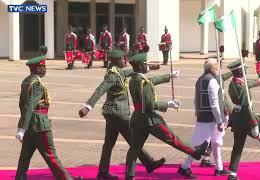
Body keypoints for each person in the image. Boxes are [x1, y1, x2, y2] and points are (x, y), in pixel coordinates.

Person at [79, 50, 164, 180]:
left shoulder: (118, 71)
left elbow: (129, 72)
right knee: (134, 138)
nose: (125, 60)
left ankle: (103, 172)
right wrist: (88, 106)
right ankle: (149, 163)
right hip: (118, 114)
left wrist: (149, 67)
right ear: (115, 61)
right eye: (122, 59)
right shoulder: (112, 75)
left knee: (109, 143)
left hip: (112, 114)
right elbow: (100, 89)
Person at [124, 53, 209, 180]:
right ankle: (195, 152)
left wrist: (169, 76)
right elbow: (149, 105)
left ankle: (129, 176)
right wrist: (168, 104)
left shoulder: (134, 80)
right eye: (146, 64)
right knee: (173, 138)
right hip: (150, 120)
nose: (148, 66)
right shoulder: (143, 83)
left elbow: (152, 81)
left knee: (134, 149)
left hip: (137, 120)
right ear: (141, 66)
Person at [15, 46, 82, 180]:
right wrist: (21, 129)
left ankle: (20, 178)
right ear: (37, 68)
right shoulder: (36, 85)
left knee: (25, 155)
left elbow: (22, 104)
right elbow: (29, 106)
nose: (45, 69)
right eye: (43, 67)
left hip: (29, 125)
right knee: (51, 154)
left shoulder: (26, 81)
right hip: (40, 124)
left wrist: (23, 125)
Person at [178, 59, 229, 178]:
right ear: (211, 68)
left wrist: (197, 112)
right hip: (211, 118)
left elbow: (195, 99)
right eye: (217, 66)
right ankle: (184, 167)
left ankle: (219, 168)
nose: (218, 69)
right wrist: (220, 121)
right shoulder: (212, 81)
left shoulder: (200, 79)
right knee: (201, 146)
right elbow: (214, 103)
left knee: (216, 143)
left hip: (204, 116)